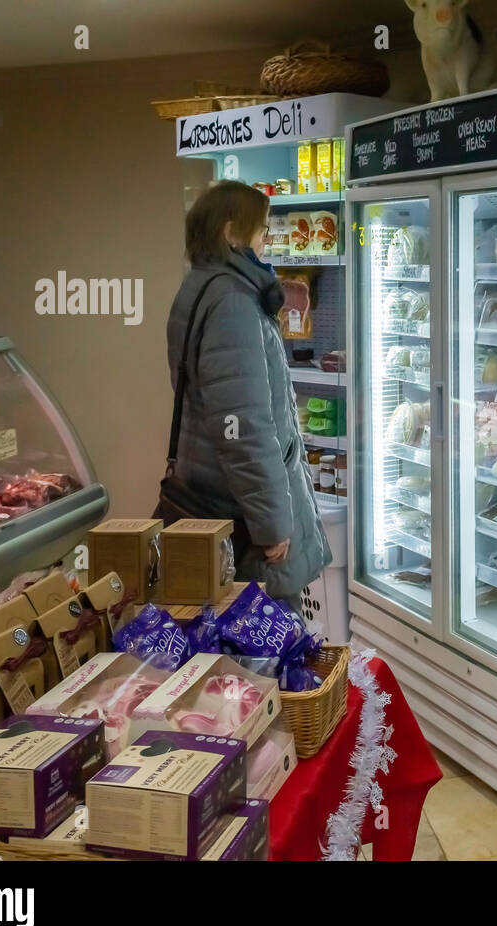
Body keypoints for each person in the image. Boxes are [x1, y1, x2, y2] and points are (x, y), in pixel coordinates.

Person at [162, 180, 329, 608]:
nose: (266, 238)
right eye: (261, 228)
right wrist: (273, 524)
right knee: (267, 646)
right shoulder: (233, 304)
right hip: (242, 516)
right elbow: (243, 428)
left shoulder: (199, 286)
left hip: (209, 492)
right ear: (231, 232)